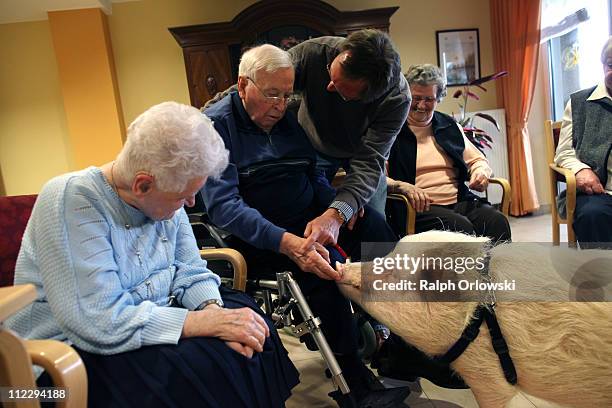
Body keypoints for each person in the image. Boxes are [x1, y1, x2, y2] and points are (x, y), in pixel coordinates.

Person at [6, 101, 299, 407]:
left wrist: (212, 310)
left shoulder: (162, 194)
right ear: (142, 184)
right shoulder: (71, 199)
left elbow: (190, 269)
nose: (190, 203)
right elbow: (98, 321)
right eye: (183, 196)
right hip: (66, 353)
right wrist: (201, 323)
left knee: (251, 327)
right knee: (203, 369)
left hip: (145, 318)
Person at [201, 44, 409, 408]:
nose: (281, 106)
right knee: (320, 266)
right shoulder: (216, 128)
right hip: (259, 236)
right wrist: (287, 243)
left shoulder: (287, 119)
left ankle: (402, 343)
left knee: (376, 230)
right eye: (271, 95)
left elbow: (312, 173)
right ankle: (354, 386)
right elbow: (225, 209)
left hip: (305, 219)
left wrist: (334, 209)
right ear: (242, 85)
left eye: (287, 94)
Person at [288, 29, 410, 253]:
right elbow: (263, 79)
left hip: (361, 154)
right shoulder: (315, 52)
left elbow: (369, 162)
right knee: (305, 208)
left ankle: (371, 282)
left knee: (372, 223)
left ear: (368, 98)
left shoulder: (396, 98)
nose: (329, 87)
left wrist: (340, 211)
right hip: (312, 144)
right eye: (330, 75)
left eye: (342, 92)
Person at [386, 64, 511, 243]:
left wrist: (480, 172)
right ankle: (472, 272)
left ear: (438, 99)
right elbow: (378, 177)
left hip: (459, 200)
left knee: (496, 221)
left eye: (429, 99)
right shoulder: (392, 130)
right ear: (406, 95)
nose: (421, 105)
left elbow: (477, 161)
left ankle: (497, 271)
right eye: (416, 98)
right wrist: (402, 186)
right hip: (418, 208)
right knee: (461, 229)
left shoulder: (449, 126)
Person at [554, 36, 612, 249]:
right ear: (603, 65)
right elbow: (564, 152)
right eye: (611, 64)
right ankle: (602, 279)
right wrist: (580, 170)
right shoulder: (580, 103)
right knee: (592, 215)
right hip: (600, 191)